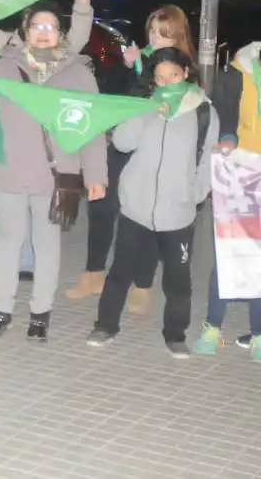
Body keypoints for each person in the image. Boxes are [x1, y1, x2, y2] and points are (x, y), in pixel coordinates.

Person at [0, 0, 107, 343]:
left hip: (54, 176)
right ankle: (1, 309)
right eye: (37, 26)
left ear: (62, 34)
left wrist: (96, 176)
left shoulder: (78, 74)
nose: (44, 33)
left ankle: (40, 313)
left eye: (51, 27)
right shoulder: (2, 68)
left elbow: (92, 130)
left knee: (46, 246)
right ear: (25, 31)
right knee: (7, 243)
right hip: (10, 173)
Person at [87, 48, 215, 357]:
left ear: (186, 73)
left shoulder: (203, 110)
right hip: (136, 207)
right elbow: (121, 142)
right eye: (160, 78)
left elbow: (208, 159)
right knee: (121, 271)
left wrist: (194, 195)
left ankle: (175, 333)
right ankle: (105, 325)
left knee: (177, 279)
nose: (167, 83)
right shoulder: (145, 104)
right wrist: (144, 112)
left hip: (178, 211)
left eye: (173, 76)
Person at [67, 5, 194, 306]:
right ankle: (93, 274)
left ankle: (143, 285)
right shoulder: (139, 57)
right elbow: (114, 94)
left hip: (155, 153)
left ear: (178, 36)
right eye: (152, 32)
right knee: (101, 205)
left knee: (146, 215)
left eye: (164, 34)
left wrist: (143, 71)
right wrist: (128, 67)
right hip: (123, 142)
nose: (157, 39)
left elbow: (177, 107)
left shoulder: (183, 68)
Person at [192, 41, 261, 360]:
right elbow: (223, 112)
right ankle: (213, 326)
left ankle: (259, 332)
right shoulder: (238, 72)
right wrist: (227, 136)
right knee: (231, 249)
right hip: (242, 171)